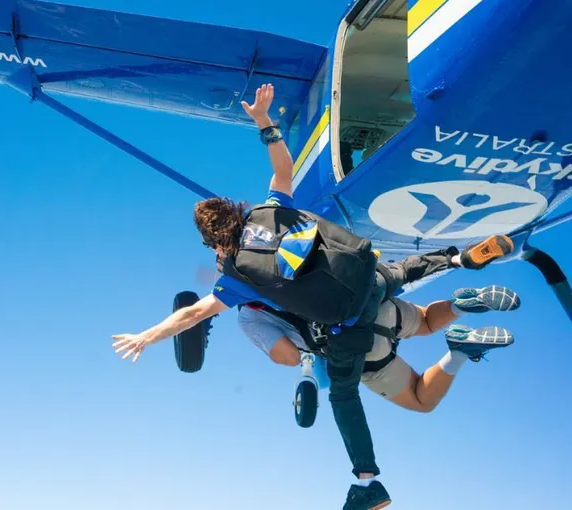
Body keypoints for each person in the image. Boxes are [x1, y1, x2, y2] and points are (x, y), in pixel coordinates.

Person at [111, 83, 516, 510]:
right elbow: (283, 168)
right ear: (234, 210)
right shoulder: (268, 209)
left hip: (351, 339)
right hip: (372, 284)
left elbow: (196, 316)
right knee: (409, 289)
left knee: (378, 397)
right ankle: (458, 263)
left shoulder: (238, 280)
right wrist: (265, 121)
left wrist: (146, 336)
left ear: (214, 243)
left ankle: (370, 479)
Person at [237, 247, 520, 510]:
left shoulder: (248, 315)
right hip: (375, 303)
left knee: (419, 399)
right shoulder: (280, 254)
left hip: (358, 349)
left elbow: (288, 356)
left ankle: (458, 352)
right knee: (425, 321)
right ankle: (462, 305)